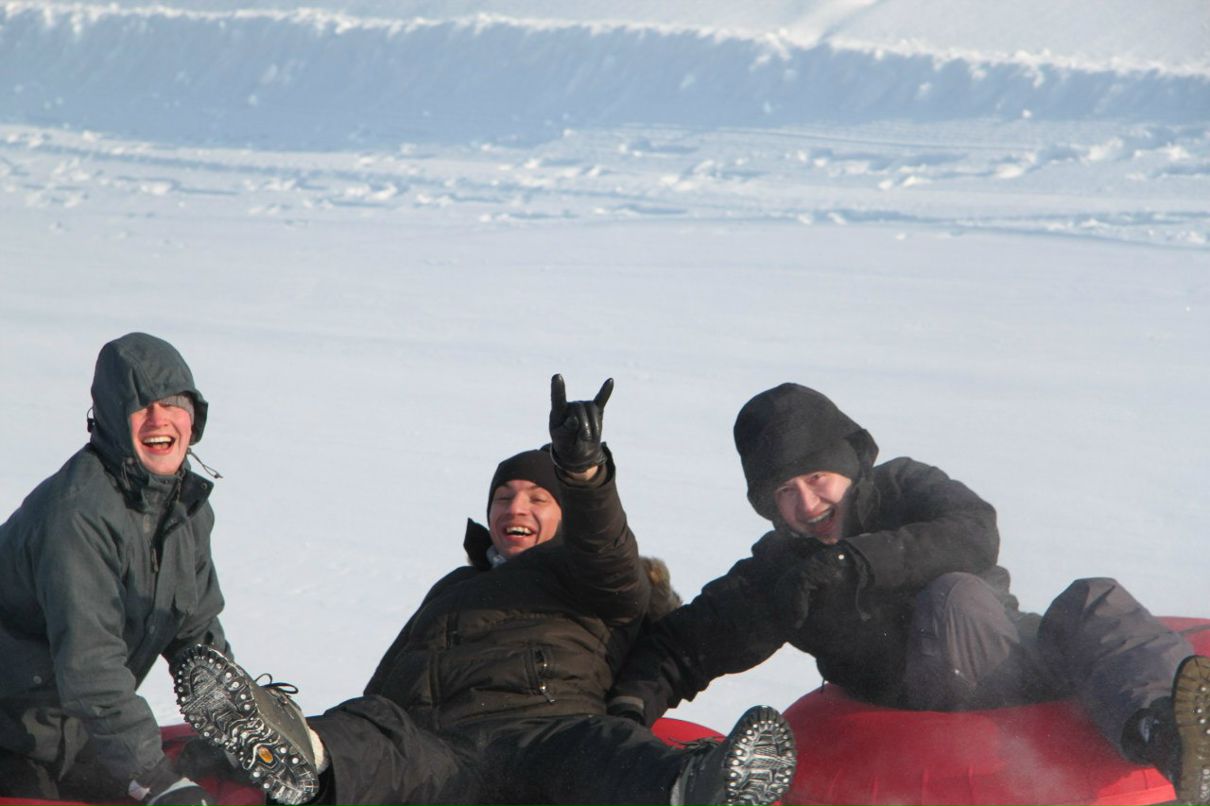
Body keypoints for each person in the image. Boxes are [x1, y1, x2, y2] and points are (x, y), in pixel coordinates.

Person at [170, 376, 797, 806]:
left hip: (544, 728)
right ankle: (291, 751)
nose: (514, 507)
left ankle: (700, 789)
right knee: (374, 726)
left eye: (535, 497)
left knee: (604, 749)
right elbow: (392, 679)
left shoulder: (590, 572)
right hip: (439, 746)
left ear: (566, 514)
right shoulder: (455, 588)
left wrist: (583, 476)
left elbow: (605, 550)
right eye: (503, 497)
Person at [608, 382, 1210, 806]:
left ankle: (1174, 739)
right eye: (784, 492)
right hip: (928, 716)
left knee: (1090, 599)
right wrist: (624, 717)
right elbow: (688, 644)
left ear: (851, 465)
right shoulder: (782, 572)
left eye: (818, 478)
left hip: (1017, 662)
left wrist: (855, 562)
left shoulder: (903, 485)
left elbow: (973, 534)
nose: (808, 505)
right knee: (950, 605)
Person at [0, 333, 231, 806]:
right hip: (10, 735)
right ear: (109, 417)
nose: (158, 418)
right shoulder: (76, 515)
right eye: (139, 404)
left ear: (194, 415)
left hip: (73, 731)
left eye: (171, 402)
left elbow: (197, 636)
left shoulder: (185, 510)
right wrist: (151, 775)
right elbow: (92, 666)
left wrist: (238, 723)